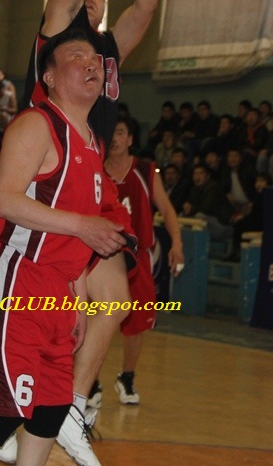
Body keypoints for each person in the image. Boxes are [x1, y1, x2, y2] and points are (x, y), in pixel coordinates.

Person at [5, 0, 162, 466]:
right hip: (47, 180)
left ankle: (64, 408)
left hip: (90, 185)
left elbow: (146, 7)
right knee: (55, 320)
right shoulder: (55, 39)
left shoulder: (105, 55)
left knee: (114, 303)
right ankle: (21, 416)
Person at [0, 28, 127, 466]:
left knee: (51, 410)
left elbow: (76, 239)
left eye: (95, 59)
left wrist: (78, 298)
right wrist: (84, 226)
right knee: (4, 412)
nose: (91, 63)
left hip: (59, 289)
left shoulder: (92, 142)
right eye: (77, 56)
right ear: (48, 77)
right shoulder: (37, 124)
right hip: (18, 277)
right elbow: (6, 201)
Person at [102, 118, 183, 408]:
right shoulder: (94, 169)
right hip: (102, 256)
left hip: (137, 257)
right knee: (94, 317)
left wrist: (177, 242)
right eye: (111, 132)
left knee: (137, 323)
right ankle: (90, 382)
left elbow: (167, 209)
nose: (115, 138)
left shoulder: (145, 170)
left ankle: (127, 377)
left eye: (120, 133)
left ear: (130, 140)